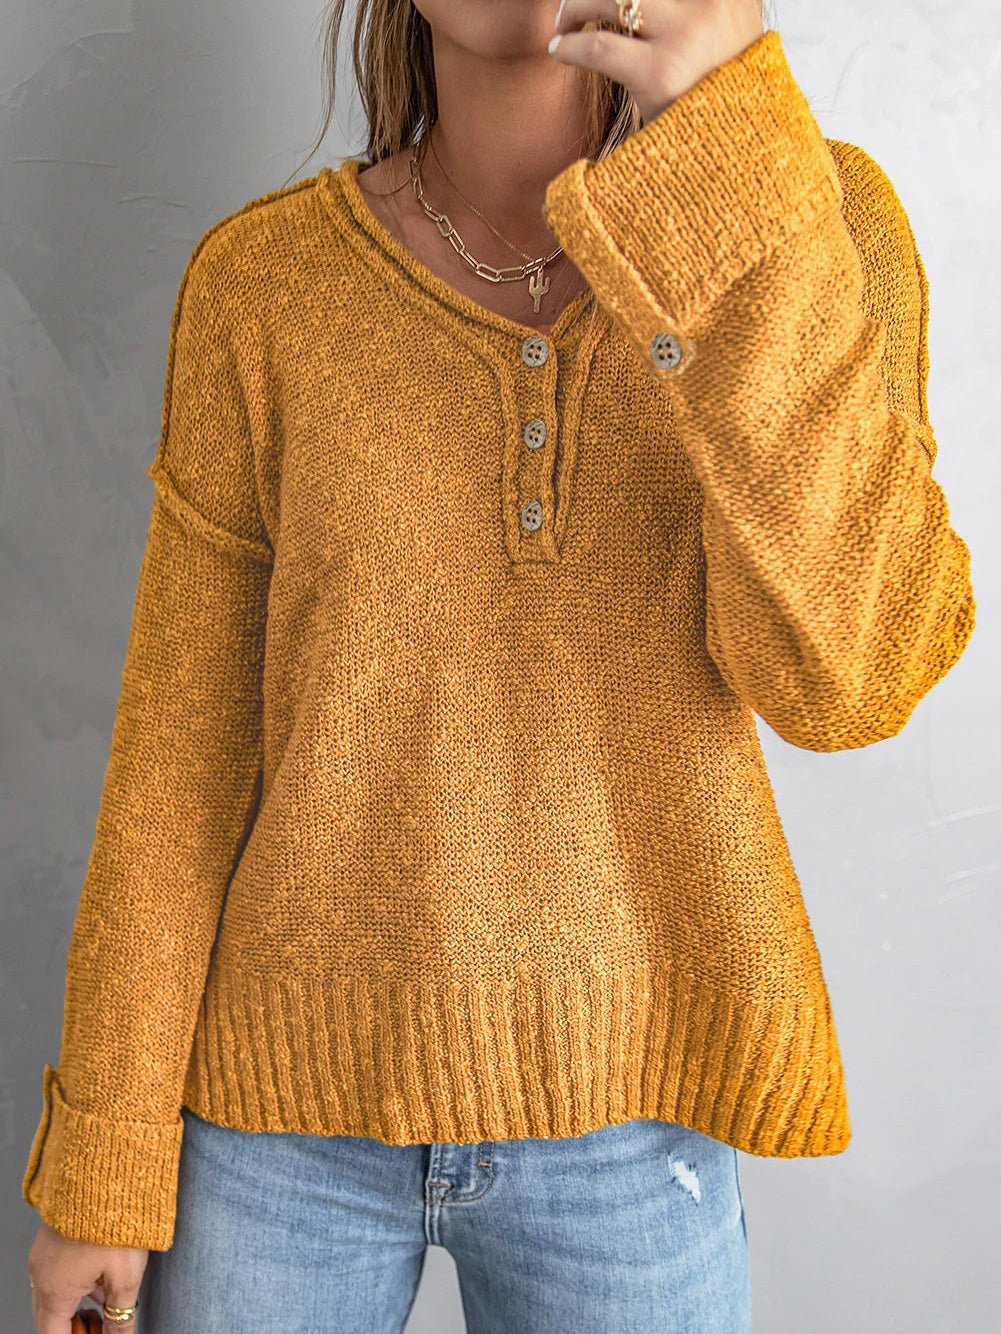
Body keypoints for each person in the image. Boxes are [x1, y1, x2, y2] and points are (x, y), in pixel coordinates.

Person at [23, 1, 976, 1331]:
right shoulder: (264, 285)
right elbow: (181, 760)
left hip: (638, 1131)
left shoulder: (810, 223)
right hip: (272, 1139)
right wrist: (104, 1156)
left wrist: (730, 174)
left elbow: (850, 680)